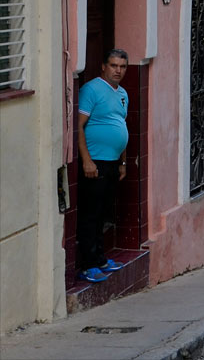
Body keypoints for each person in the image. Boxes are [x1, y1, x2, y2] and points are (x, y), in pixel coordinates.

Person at [76, 49, 131, 283]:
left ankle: (100, 259)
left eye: (122, 66)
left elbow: (121, 125)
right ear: (103, 66)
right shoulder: (91, 89)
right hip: (95, 162)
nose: (117, 70)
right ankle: (87, 265)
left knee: (102, 213)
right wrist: (86, 160)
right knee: (91, 214)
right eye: (113, 65)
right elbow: (78, 126)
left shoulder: (123, 94)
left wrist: (123, 162)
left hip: (112, 163)